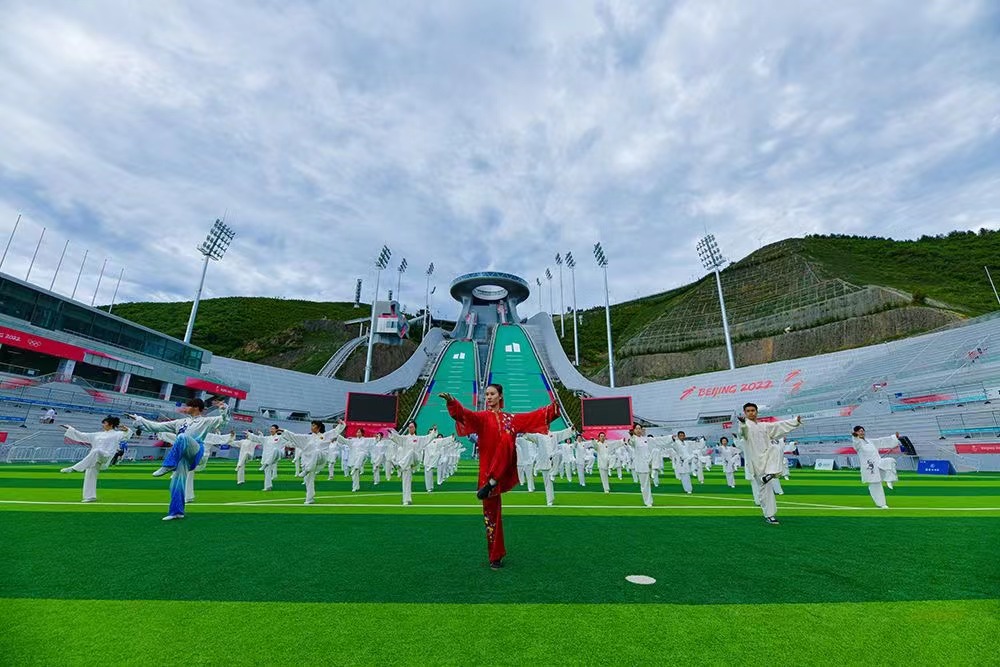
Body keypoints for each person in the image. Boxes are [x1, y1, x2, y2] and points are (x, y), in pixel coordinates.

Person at [441, 385, 560, 570]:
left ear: (500, 396)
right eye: (486, 394)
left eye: (492, 394)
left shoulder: (511, 419)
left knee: (507, 437)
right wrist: (452, 402)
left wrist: (554, 407)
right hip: (487, 473)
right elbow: (464, 414)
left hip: (505, 468)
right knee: (491, 516)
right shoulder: (482, 418)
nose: (488, 397)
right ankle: (495, 556)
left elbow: (534, 417)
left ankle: (494, 480)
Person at [128, 398, 230, 520]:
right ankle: (176, 512)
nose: (185, 408)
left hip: (196, 449)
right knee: (177, 482)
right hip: (183, 455)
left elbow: (224, 421)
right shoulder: (179, 422)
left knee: (182, 437)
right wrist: (139, 419)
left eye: (188, 406)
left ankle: (168, 465)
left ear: (196, 407)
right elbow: (156, 426)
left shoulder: (206, 421)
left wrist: (223, 409)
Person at [737, 402, 802, 525]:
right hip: (756, 461)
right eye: (748, 411)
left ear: (757, 412)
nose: (751, 413)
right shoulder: (745, 425)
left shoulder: (764, 426)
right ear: (745, 413)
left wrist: (795, 421)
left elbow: (779, 425)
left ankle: (771, 474)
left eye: (753, 410)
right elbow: (743, 432)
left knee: (776, 448)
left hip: (767, 457)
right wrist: (743, 424)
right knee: (765, 489)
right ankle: (770, 515)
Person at [59, 416, 133, 502]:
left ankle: (74, 468)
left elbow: (127, 435)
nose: (103, 425)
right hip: (94, 458)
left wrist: (127, 429)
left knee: (96, 451)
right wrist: (70, 429)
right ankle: (90, 497)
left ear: (111, 424)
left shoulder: (117, 434)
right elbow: (82, 435)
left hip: (106, 456)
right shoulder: (97, 434)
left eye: (105, 423)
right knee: (90, 474)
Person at [282, 420, 345, 504]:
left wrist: (341, 424)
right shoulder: (307, 437)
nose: (312, 427)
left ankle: (307, 470)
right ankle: (309, 499)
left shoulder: (325, 435)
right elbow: (294, 436)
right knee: (309, 479)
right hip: (310, 461)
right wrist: (283, 431)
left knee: (316, 451)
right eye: (311, 425)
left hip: (321, 457)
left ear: (319, 427)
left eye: (314, 425)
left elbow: (336, 431)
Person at [387, 423, 439, 505]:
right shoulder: (404, 438)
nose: (410, 428)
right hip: (407, 463)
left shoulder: (419, 439)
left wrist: (434, 431)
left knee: (411, 452)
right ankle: (406, 500)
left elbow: (429, 437)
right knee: (406, 481)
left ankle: (400, 465)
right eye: (409, 427)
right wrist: (391, 433)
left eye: (412, 427)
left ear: (415, 428)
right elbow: (397, 438)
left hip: (415, 459)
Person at [851, 426, 900, 508]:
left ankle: (889, 479)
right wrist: (855, 437)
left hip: (878, 462)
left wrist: (894, 438)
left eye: (862, 431)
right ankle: (881, 504)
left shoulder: (870, 441)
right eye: (859, 431)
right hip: (869, 466)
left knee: (890, 461)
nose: (861, 432)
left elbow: (881, 441)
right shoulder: (857, 443)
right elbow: (856, 444)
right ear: (856, 433)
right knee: (875, 484)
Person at [246, 425, 283, 491]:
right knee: (267, 472)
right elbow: (257, 438)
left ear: (276, 430)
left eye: (273, 429)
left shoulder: (280, 437)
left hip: (277, 455)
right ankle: (268, 487)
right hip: (267, 457)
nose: (271, 430)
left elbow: (288, 437)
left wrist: (282, 430)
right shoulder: (266, 438)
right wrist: (249, 434)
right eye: (271, 429)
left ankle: (266, 463)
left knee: (275, 450)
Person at [626, 425, 654, 507]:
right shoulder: (634, 439)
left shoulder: (645, 439)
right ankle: (647, 502)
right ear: (634, 430)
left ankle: (649, 500)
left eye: (640, 429)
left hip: (647, 464)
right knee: (644, 484)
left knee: (647, 483)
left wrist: (670, 438)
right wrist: (631, 435)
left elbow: (656, 442)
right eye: (636, 429)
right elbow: (631, 443)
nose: (638, 430)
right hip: (641, 465)